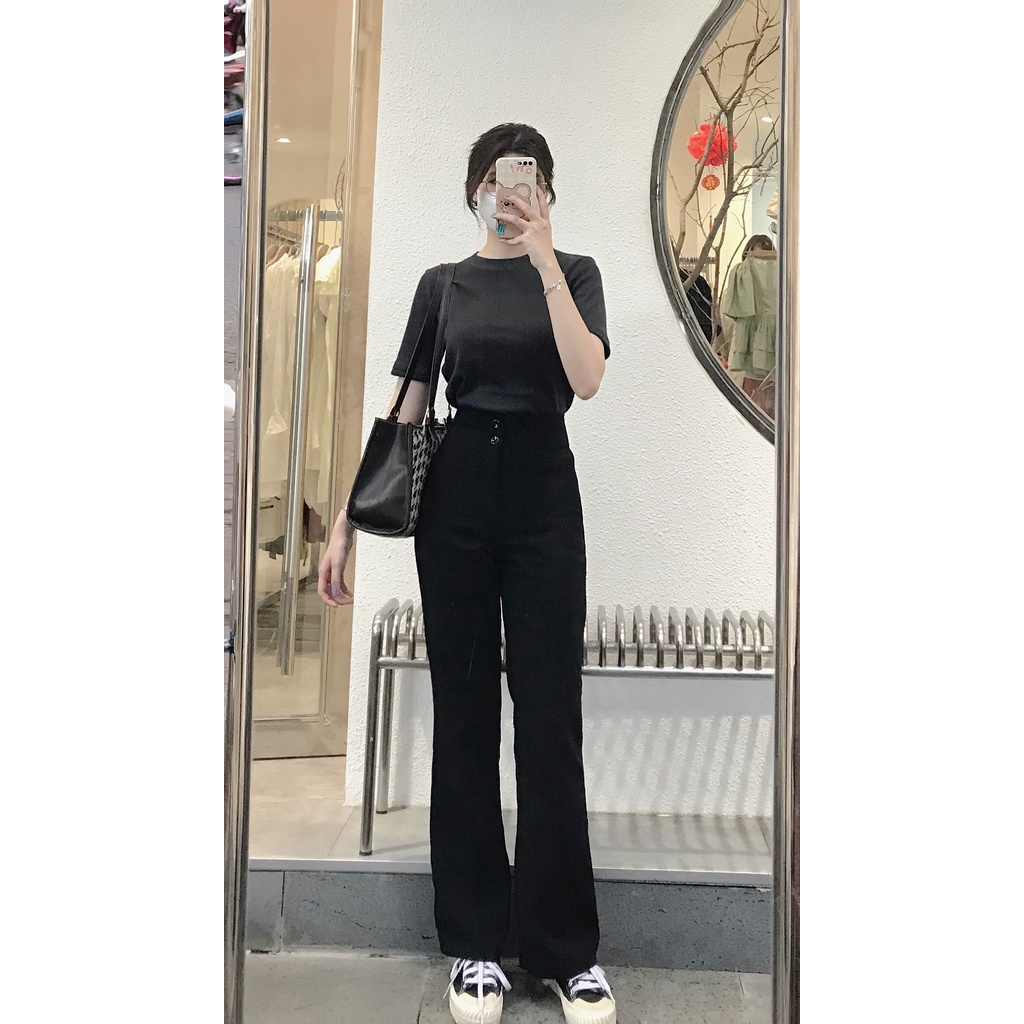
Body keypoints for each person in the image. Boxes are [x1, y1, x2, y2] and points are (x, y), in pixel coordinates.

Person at [318, 123, 617, 1024]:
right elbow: (406, 409)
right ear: (473, 192)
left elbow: (587, 379)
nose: (510, 192)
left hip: (544, 492)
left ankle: (566, 952)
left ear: (547, 192)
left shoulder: (578, 273)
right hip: (456, 501)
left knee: (550, 716)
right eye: (495, 179)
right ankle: (476, 942)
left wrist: (546, 260)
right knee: (464, 713)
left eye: (526, 179)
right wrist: (345, 523)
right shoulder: (442, 285)